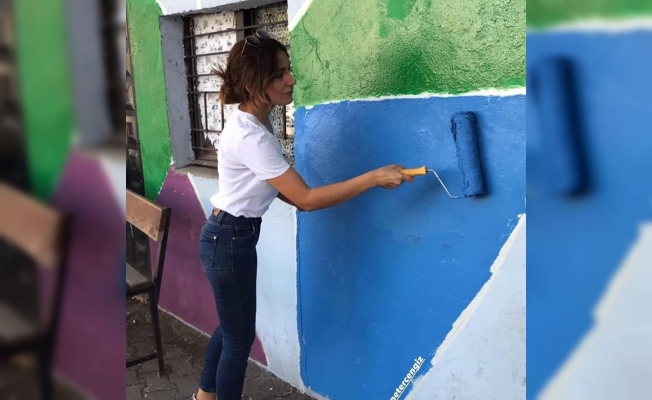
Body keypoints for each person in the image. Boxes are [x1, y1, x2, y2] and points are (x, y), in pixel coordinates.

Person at [194, 30, 412, 400]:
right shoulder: (251, 135)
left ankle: (203, 396)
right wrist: (374, 178)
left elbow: (281, 188)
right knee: (239, 339)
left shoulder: (255, 120)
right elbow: (306, 199)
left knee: (233, 329)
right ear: (254, 83)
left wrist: (298, 195)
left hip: (230, 235)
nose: (292, 79)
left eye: (288, 70)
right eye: (279, 74)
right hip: (229, 238)